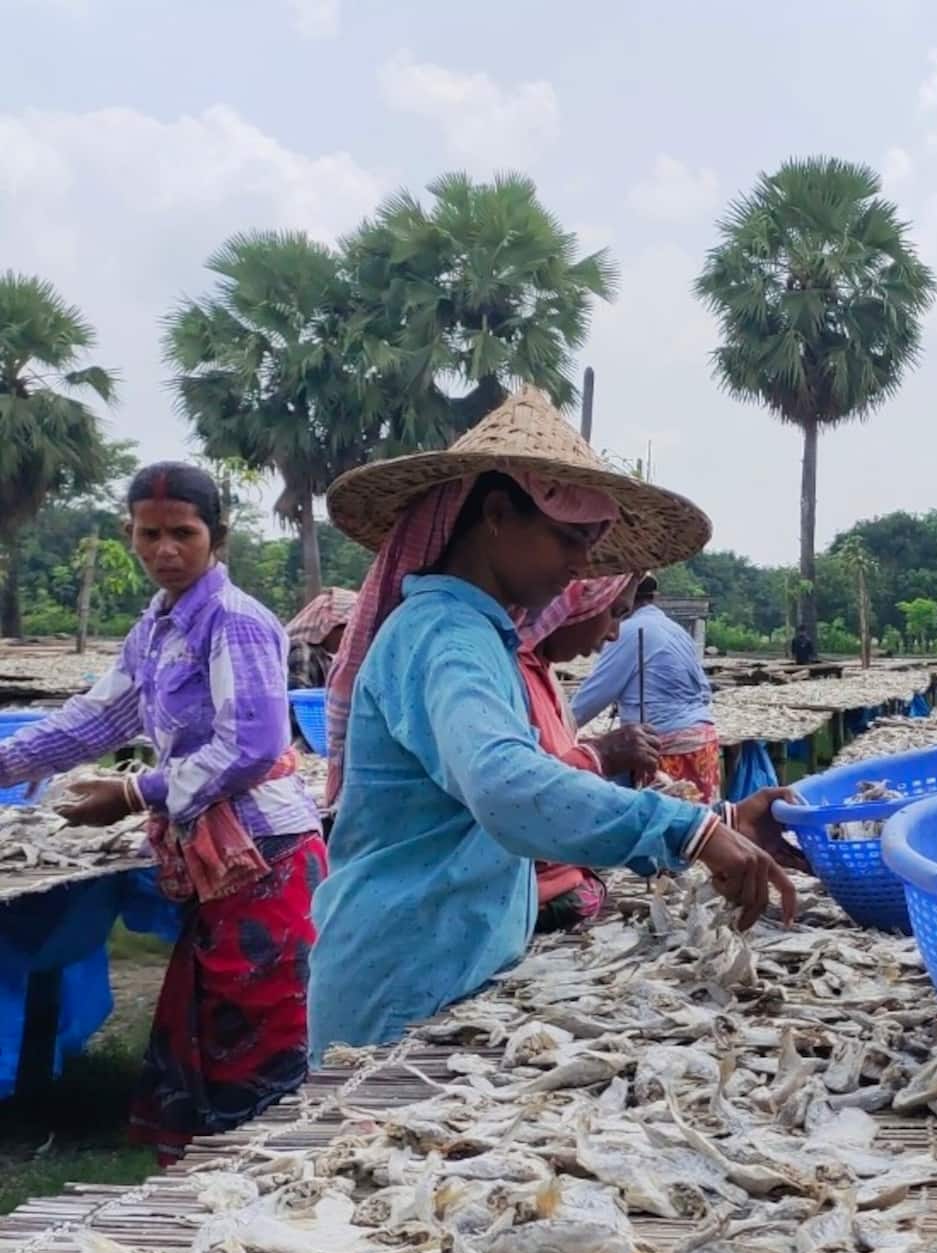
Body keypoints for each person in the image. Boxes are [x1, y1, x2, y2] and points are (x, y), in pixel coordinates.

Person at [310, 387, 799, 1055]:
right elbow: (506, 786)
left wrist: (725, 818)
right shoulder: (444, 638)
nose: (579, 567)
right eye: (567, 539)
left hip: (444, 967)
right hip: (402, 978)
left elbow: (535, 800)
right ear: (497, 516)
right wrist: (689, 831)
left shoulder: (475, 636)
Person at [0, 463, 325, 1163]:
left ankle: (260, 1171)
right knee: (212, 1024)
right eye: (150, 535)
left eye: (184, 533)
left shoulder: (233, 621)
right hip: (215, 860)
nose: (165, 550)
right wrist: (6, 764)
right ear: (129, 534)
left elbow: (252, 744)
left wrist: (132, 792)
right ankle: (212, 1176)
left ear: (218, 536)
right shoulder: (157, 627)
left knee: (260, 1030)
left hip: (264, 854)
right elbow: (93, 722)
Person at [517, 575, 664, 932]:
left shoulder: (541, 673)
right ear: (577, 601)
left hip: (568, 880)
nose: (614, 633)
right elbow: (515, 797)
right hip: (532, 899)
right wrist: (601, 755)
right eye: (615, 613)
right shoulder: (507, 674)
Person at [573, 576, 721, 804]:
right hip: (702, 741)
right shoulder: (677, 630)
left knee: (661, 827)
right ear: (653, 599)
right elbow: (704, 691)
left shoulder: (628, 630)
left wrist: (554, 729)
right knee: (698, 824)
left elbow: (593, 696)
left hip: (666, 750)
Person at [285, 588, 355, 690]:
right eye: (348, 629)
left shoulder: (325, 657)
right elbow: (298, 696)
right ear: (329, 627)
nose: (351, 637)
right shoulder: (301, 649)